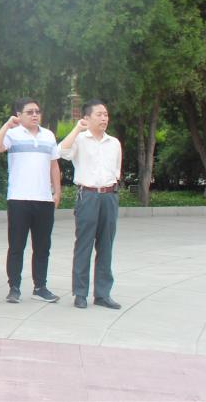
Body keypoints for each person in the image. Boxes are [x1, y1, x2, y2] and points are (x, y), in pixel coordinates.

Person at [0, 98, 62, 304]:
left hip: (44, 199)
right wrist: (7, 125)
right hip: (19, 199)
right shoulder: (13, 134)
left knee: (42, 247)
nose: (35, 115)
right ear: (19, 115)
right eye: (29, 112)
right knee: (16, 246)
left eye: (37, 111)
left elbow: (54, 165)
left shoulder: (48, 135)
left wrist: (57, 192)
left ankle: (40, 287)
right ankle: (14, 287)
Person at [59, 100, 122, 310]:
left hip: (109, 196)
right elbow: (62, 152)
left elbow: (116, 170)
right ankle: (80, 293)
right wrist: (77, 128)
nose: (104, 118)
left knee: (106, 245)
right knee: (84, 244)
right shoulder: (79, 139)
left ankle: (103, 294)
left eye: (106, 114)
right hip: (87, 196)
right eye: (99, 114)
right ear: (87, 118)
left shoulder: (114, 143)